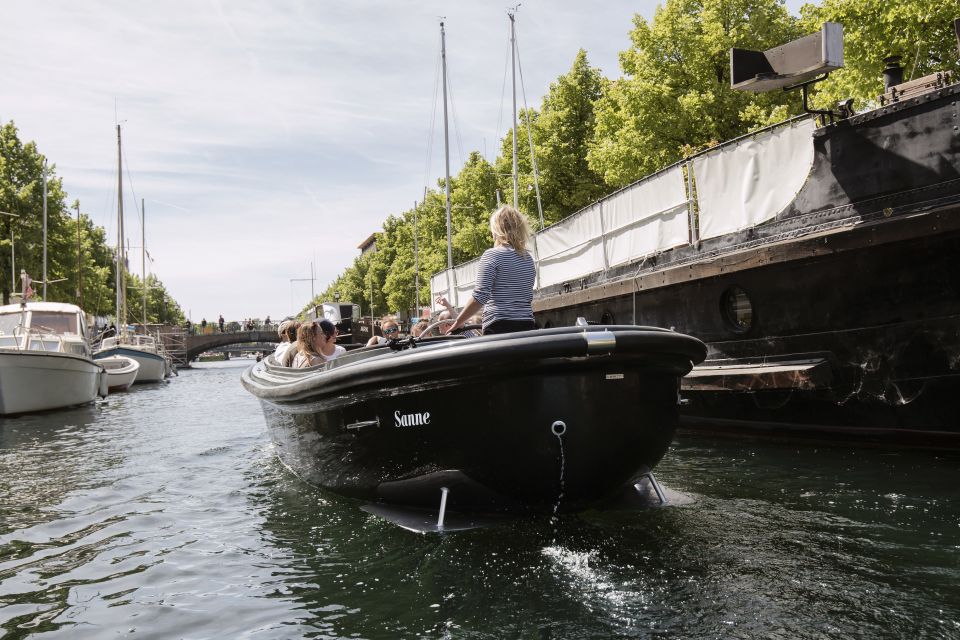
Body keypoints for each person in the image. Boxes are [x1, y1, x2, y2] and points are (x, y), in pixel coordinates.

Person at [445, 205, 536, 335]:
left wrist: (458, 322)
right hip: (527, 324)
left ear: (497, 230)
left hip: (499, 325)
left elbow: (479, 297)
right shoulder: (528, 259)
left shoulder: (492, 255)